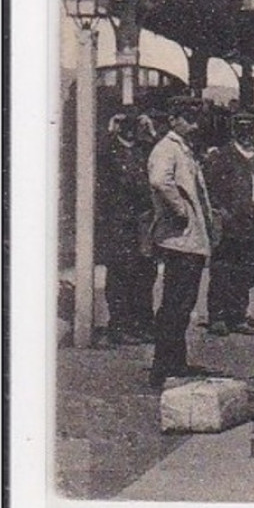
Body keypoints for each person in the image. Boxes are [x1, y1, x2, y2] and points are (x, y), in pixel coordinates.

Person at [146, 99, 221, 387]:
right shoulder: (167, 148)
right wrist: (180, 209)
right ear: (174, 119)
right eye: (189, 118)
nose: (195, 124)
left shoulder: (182, 148)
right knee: (175, 304)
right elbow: (159, 181)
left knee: (182, 303)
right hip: (180, 239)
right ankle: (164, 366)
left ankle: (175, 361)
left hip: (189, 239)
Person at [203, 109, 254, 336]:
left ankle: (238, 314)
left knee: (245, 269)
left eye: (250, 128)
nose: (247, 133)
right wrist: (222, 212)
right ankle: (217, 316)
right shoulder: (222, 156)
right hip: (231, 219)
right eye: (241, 128)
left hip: (253, 218)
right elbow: (211, 189)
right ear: (234, 130)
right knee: (223, 269)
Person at [96, 111, 158, 344]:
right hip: (119, 222)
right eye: (125, 124)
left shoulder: (144, 150)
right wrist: (109, 131)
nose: (130, 129)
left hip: (142, 222)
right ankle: (120, 325)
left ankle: (141, 323)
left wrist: (151, 131)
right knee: (121, 275)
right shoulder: (109, 151)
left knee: (145, 274)